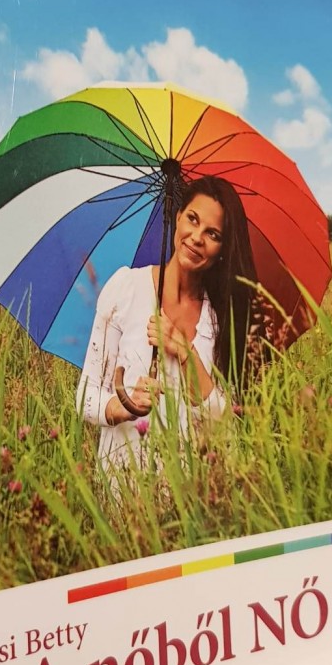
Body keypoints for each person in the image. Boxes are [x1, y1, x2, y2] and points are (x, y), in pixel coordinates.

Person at [76, 175, 256, 473]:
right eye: (193, 219)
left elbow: (226, 426)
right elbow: (86, 396)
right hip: (124, 482)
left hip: (192, 488)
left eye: (213, 234)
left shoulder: (221, 318)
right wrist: (123, 406)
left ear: (223, 248)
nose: (197, 237)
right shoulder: (126, 288)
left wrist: (186, 353)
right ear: (177, 217)